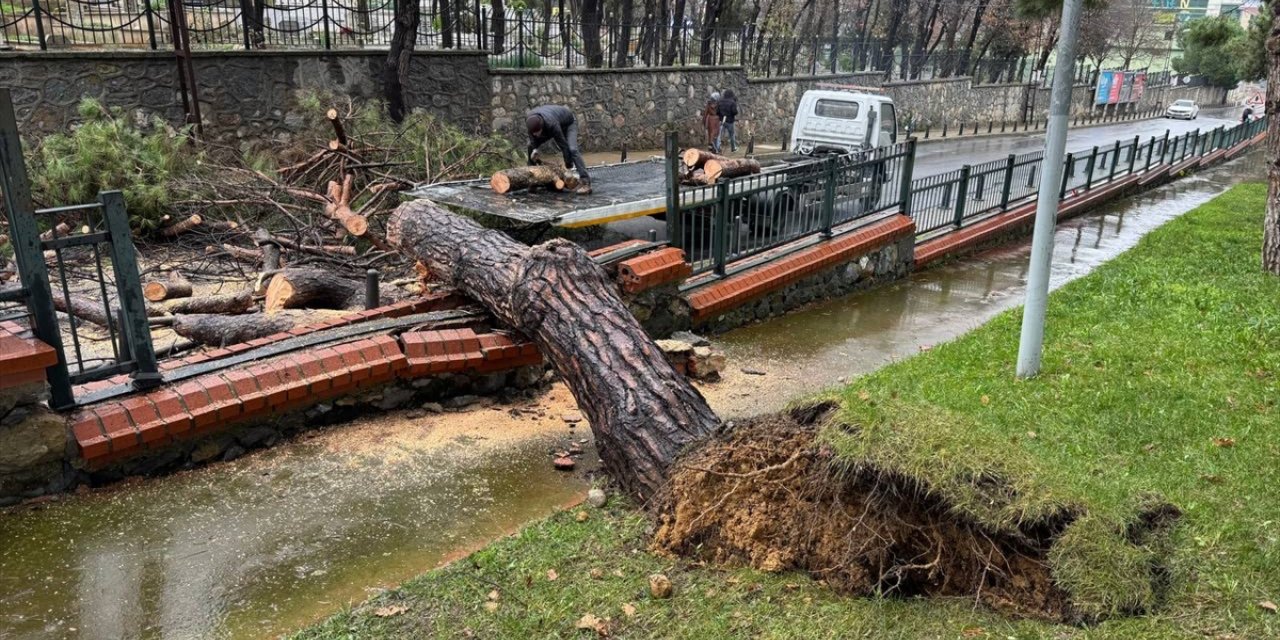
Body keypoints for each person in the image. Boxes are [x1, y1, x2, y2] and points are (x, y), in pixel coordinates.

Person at [526, 105, 592, 195]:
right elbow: (532, 138)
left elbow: (563, 144)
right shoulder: (530, 122)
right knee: (530, 146)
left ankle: (585, 182)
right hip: (551, 125)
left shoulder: (551, 123)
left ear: (541, 127)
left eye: (537, 133)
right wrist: (534, 150)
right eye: (534, 133)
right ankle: (533, 181)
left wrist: (568, 163)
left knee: (572, 149)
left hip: (569, 124)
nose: (536, 135)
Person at [716, 89, 739, 154]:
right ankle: (733, 148)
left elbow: (717, 112)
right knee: (731, 135)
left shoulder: (720, 101)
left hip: (721, 120)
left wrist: (721, 116)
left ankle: (718, 149)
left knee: (719, 135)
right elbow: (735, 112)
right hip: (730, 121)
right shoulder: (732, 102)